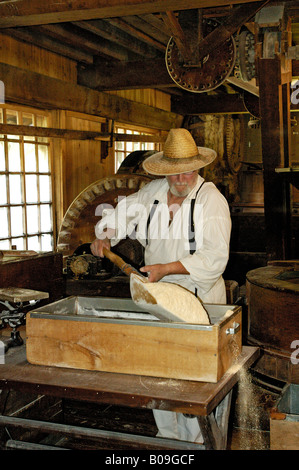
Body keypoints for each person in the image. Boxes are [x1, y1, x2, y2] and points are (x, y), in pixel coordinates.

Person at [91, 128, 231, 443]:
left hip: (198, 299)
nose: (182, 180)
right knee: (161, 371)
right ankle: (168, 441)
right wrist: (105, 234)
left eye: (188, 172)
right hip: (157, 297)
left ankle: (198, 443)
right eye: (175, 173)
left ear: (198, 168)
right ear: (164, 171)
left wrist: (165, 269)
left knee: (195, 378)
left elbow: (214, 258)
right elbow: (120, 216)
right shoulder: (152, 193)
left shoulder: (211, 201)